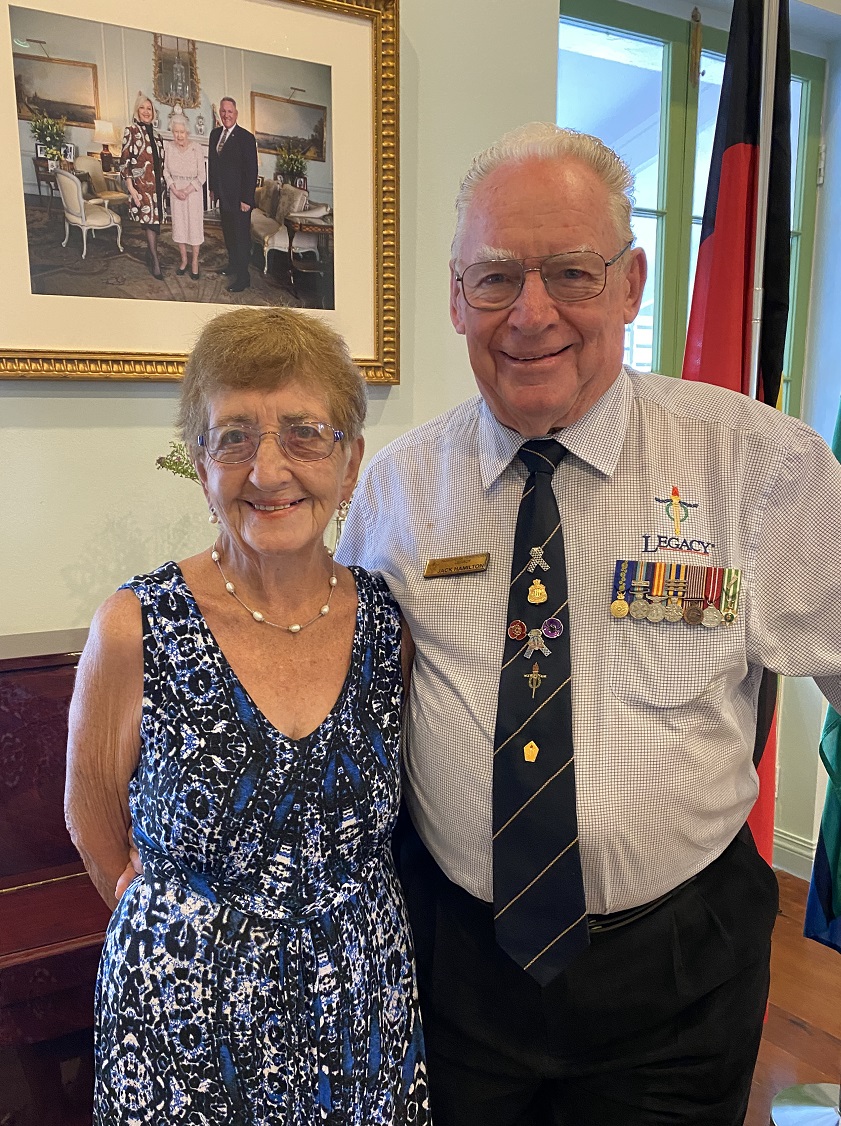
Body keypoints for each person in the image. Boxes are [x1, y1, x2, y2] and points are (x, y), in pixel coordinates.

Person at [336, 122, 841, 1126]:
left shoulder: (756, 469)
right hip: (458, 973)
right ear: (453, 296)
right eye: (493, 279)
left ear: (630, 283)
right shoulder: (394, 494)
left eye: (570, 272)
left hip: (677, 976)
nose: (530, 314)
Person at [65, 307, 430, 1125]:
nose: (268, 471)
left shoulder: (386, 624)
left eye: (304, 433)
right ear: (200, 465)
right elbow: (91, 815)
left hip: (357, 1008)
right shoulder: (135, 625)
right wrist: (182, 928)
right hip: (181, 1020)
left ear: (349, 459)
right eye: (233, 437)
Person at [208, 97, 258, 293]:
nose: (226, 115)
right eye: (223, 111)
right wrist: (213, 188)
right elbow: (213, 163)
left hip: (240, 200)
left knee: (241, 237)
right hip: (223, 197)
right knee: (228, 234)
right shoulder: (214, 135)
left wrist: (247, 199)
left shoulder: (246, 138)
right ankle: (233, 265)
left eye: (230, 111)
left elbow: (251, 170)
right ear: (220, 113)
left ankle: (243, 277)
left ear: (236, 114)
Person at [121, 93, 166, 279]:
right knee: (149, 222)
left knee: (155, 223)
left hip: (158, 188)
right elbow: (125, 164)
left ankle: (150, 253)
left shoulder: (158, 136)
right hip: (141, 187)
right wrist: (132, 190)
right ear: (137, 110)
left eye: (149, 108)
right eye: (143, 108)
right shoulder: (130, 131)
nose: (146, 112)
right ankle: (155, 259)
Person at [164, 114, 205, 280]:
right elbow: (166, 171)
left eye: (181, 132)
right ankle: (184, 259)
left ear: (187, 132)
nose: (179, 135)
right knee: (179, 226)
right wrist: (174, 189)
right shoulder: (169, 148)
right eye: (175, 132)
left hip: (193, 193)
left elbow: (202, 176)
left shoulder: (197, 148)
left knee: (194, 227)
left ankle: (194, 261)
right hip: (176, 192)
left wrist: (186, 191)